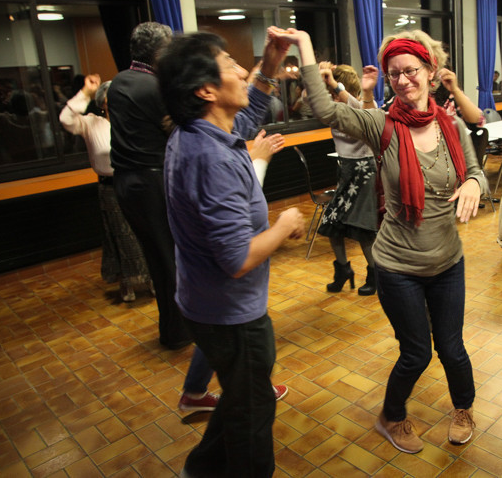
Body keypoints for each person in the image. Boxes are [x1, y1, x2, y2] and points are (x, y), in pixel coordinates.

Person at [274, 27, 485, 454]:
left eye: (411, 70)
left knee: (452, 348)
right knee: (416, 353)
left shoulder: (451, 126)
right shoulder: (380, 124)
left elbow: (476, 170)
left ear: (430, 71)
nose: (403, 81)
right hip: (398, 266)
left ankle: (463, 409)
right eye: (394, 74)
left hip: (447, 262)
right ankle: (391, 416)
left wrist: (474, 184)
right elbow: (325, 109)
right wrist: (306, 45)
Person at [158, 29, 304, 478]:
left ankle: (200, 469)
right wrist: (284, 225)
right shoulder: (211, 157)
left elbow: (249, 111)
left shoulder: (202, 132)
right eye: (229, 65)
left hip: (208, 304)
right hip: (230, 315)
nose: (243, 71)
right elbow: (237, 258)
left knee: (243, 398)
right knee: (252, 414)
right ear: (206, 90)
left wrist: (270, 63)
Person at [107, 22, 189, 349]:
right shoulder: (155, 88)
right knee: (172, 259)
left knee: (157, 259)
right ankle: (180, 332)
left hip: (125, 184)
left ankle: (172, 329)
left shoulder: (119, 81)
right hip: (152, 181)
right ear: (159, 52)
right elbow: (182, 129)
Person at [59, 74, 151, 302]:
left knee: (144, 232)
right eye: (112, 99)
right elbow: (66, 119)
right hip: (111, 186)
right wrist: (86, 93)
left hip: (137, 183)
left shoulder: (133, 122)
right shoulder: (92, 123)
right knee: (121, 234)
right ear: (104, 104)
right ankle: (127, 282)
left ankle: (151, 279)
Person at [317, 61, 378, 296]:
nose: (332, 94)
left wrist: (334, 85)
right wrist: (318, 76)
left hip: (364, 170)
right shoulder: (334, 108)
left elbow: (361, 111)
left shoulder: (361, 107)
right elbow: (310, 100)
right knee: (332, 222)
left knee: (363, 228)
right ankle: (343, 270)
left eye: (334, 90)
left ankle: (376, 274)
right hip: (346, 169)